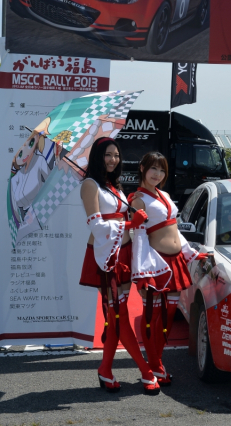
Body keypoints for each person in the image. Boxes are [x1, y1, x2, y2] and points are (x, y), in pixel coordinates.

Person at [78, 137, 160, 395]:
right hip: (105, 256)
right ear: (97, 157)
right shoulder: (89, 185)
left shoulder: (113, 186)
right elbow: (96, 225)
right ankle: (146, 370)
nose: (113, 159)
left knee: (116, 317)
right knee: (119, 315)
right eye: (107, 155)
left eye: (116, 155)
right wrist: (129, 224)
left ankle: (105, 369)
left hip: (123, 253)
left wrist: (133, 217)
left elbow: (119, 217)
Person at [131, 151, 207, 385]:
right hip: (155, 265)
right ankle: (154, 367)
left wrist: (190, 252)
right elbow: (138, 238)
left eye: (162, 170)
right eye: (153, 168)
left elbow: (174, 229)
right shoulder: (137, 199)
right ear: (142, 168)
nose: (158, 174)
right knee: (151, 318)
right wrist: (141, 272)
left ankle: (158, 362)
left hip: (175, 262)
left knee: (168, 318)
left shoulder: (164, 195)